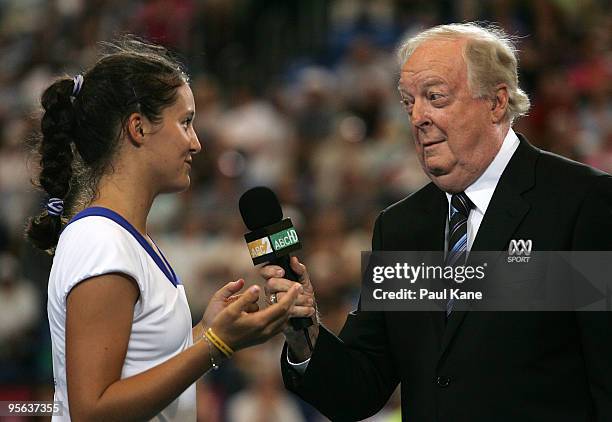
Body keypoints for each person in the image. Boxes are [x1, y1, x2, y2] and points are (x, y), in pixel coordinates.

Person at [261, 23, 612, 421]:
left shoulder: (583, 202)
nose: (418, 117)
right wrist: (301, 328)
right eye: (409, 102)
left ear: (496, 103)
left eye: (435, 97)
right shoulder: (401, 227)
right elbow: (358, 390)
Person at [26, 38, 313, 422]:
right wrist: (215, 344)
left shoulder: (125, 238)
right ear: (139, 128)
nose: (195, 143)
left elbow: (142, 368)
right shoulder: (100, 240)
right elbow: (92, 411)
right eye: (186, 122)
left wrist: (205, 331)